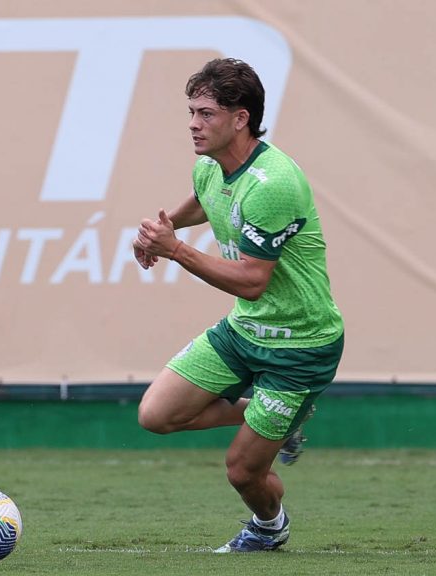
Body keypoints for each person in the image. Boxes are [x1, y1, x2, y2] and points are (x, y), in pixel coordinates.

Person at [132, 58, 344, 553]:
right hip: (245, 333)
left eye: (205, 113)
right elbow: (206, 198)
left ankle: (270, 526)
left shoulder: (273, 184)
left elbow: (252, 282)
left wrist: (176, 250)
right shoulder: (210, 165)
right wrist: (164, 231)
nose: (193, 123)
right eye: (191, 111)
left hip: (300, 346)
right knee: (154, 415)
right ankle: (277, 421)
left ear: (240, 118)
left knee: (243, 472)